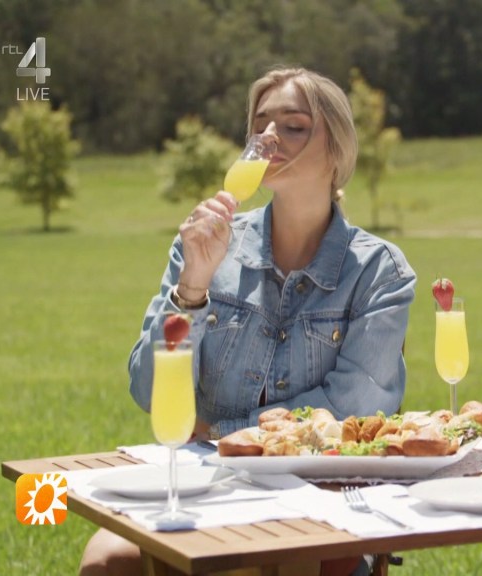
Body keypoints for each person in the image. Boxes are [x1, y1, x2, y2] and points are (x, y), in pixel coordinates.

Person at [80, 67, 416, 576]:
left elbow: (351, 411)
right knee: (106, 561)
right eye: (260, 127)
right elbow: (149, 391)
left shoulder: (378, 271)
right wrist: (192, 287)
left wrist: (221, 434)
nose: (271, 137)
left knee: (251, 565)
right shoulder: (204, 246)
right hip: (205, 486)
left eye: (294, 126)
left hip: (319, 498)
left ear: (338, 150)